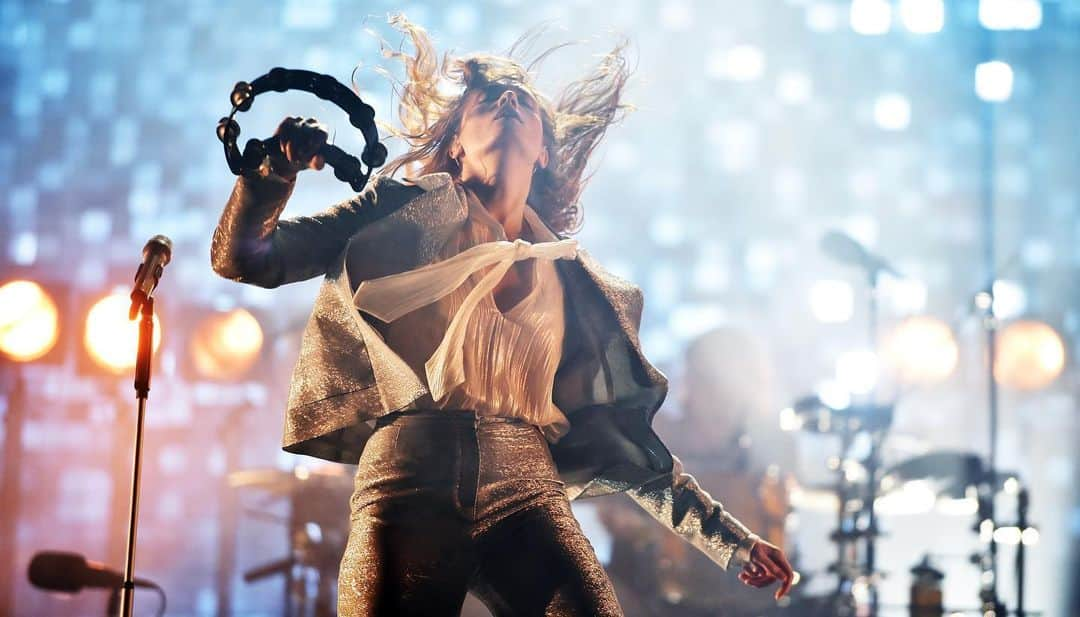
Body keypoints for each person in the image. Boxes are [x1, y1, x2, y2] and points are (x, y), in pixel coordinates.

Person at [211, 15, 794, 616]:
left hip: (528, 492)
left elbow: (627, 447)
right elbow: (248, 258)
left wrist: (729, 538)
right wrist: (271, 177)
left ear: (543, 150)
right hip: (408, 486)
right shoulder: (394, 212)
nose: (509, 101)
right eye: (488, 98)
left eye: (523, 101)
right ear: (456, 143)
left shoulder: (574, 277)